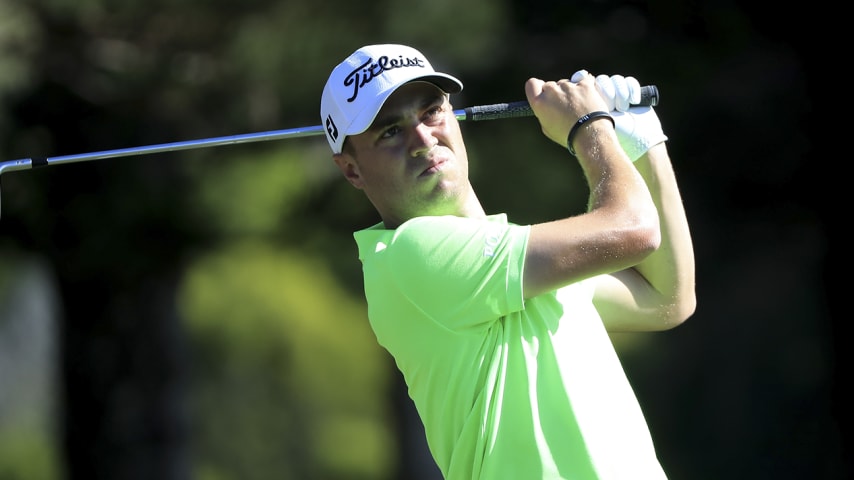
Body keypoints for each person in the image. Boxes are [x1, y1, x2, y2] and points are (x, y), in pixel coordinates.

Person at [320, 44, 696, 480]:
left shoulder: (515, 261)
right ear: (351, 170)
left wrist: (645, 145)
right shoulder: (411, 255)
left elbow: (666, 298)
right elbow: (634, 229)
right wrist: (589, 128)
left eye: (431, 112)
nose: (423, 139)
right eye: (390, 132)